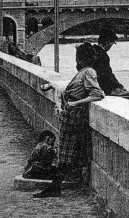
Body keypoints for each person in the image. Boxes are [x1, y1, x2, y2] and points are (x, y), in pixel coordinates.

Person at [33, 42, 104, 198]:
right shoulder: (84, 72)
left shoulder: (88, 72)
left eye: (77, 57)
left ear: (81, 59)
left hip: (75, 116)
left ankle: (55, 188)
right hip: (70, 115)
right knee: (66, 153)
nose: (76, 60)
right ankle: (55, 187)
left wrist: (73, 103)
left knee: (66, 153)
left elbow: (98, 94)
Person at [92, 29, 129, 100]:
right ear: (108, 42)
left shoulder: (92, 50)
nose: (111, 47)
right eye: (112, 43)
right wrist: (119, 86)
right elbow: (107, 74)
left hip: (93, 86)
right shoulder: (103, 55)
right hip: (103, 88)